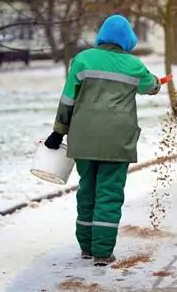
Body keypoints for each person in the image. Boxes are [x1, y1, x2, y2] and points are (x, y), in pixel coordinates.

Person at [44, 14, 161, 266]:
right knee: (109, 194)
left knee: (87, 190)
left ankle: (86, 247)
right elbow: (151, 86)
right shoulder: (133, 65)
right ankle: (102, 252)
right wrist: (157, 83)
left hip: (83, 139)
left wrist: (58, 131)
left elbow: (67, 99)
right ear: (128, 38)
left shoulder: (83, 60)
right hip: (117, 142)